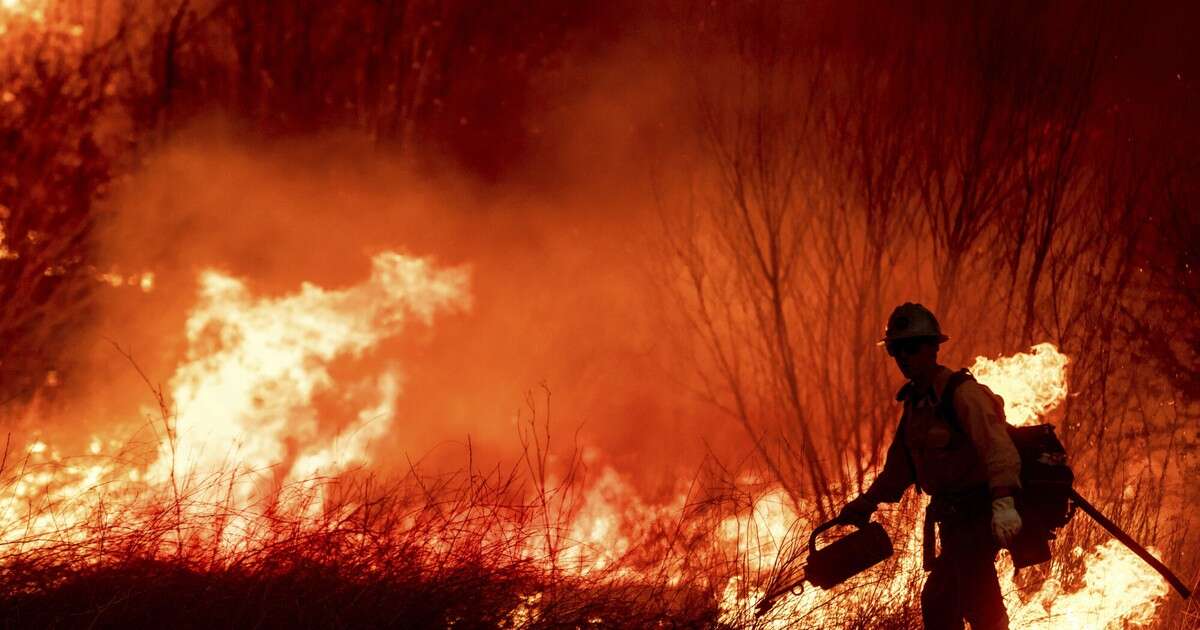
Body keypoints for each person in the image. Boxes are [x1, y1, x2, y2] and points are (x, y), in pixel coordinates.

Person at [837, 302, 1022, 630]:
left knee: (950, 595)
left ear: (932, 349)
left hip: (980, 513)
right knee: (961, 598)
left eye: (912, 348)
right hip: (951, 520)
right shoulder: (915, 406)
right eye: (897, 351)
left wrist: (1004, 502)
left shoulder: (961, 393)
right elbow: (899, 470)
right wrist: (866, 503)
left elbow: (999, 448)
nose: (904, 358)